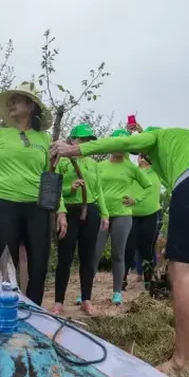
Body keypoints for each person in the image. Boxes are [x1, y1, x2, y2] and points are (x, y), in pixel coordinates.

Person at [51, 125, 189, 375]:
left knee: (182, 272)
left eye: (143, 153)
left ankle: (181, 362)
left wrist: (74, 149)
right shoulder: (186, 145)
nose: (143, 158)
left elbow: (118, 143)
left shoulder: (158, 136)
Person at [0, 81, 66, 305]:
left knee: (39, 265)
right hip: (3, 204)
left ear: (31, 105)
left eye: (17, 99)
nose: (11, 103)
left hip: (38, 208)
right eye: (10, 100)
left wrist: (61, 210)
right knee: (7, 263)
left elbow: (50, 178)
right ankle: (8, 310)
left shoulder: (44, 139)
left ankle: (34, 311)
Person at [52, 124, 109, 315]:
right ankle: (59, 301)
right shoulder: (62, 162)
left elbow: (98, 190)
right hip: (68, 211)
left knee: (88, 257)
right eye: (82, 139)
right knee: (65, 257)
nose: (85, 143)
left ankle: (86, 299)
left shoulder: (93, 164)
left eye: (88, 140)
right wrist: (71, 189)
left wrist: (105, 213)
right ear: (72, 140)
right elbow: (56, 189)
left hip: (90, 211)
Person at [92, 128, 152, 306]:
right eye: (115, 143)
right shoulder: (99, 166)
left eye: (122, 144)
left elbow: (148, 186)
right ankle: (85, 292)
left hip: (122, 215)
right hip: (102, 214)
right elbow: (93, 186)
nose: (118, 148)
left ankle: (117, 292)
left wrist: (136, 200)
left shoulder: (131, 168)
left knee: (118, 255)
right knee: (94, 253)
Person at [124, 148, 163, 291]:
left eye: (145, 156)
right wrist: (129, 133)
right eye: (141, 155)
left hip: (151, 214)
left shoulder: (156, 172)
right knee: (129, 247)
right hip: (131, 214)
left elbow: (159, 157)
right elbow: (124, 150)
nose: (143, 158)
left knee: (146, 248)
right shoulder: (131, 170)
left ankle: (148, 281)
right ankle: (122, 281)